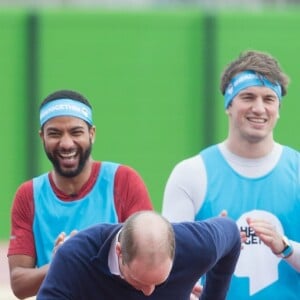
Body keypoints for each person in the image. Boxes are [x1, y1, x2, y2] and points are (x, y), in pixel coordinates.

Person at [162, 50, 300, 299]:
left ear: (278, 108)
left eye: (269, 99)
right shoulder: (191, 174)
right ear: (229, 104)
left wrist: (285, 247)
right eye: (248, 96)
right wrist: (210, 247)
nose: (259, 108)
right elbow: (168, 268)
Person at [7, 89, 153, 299]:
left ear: (91, 134)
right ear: (42, 137)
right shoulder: (28, 195)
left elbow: (148, 262)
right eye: (55, 133)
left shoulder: (123, 180)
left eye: (76, 132)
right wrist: (59, 263)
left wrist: (86, 256)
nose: (66, 144)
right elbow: (19, 285)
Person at [36, 210, 240, 300]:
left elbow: (231, 232)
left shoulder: (197, 246)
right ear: (119, 252)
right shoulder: (74, 259)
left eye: (160, 282)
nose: (149, 292)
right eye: (139, 281)